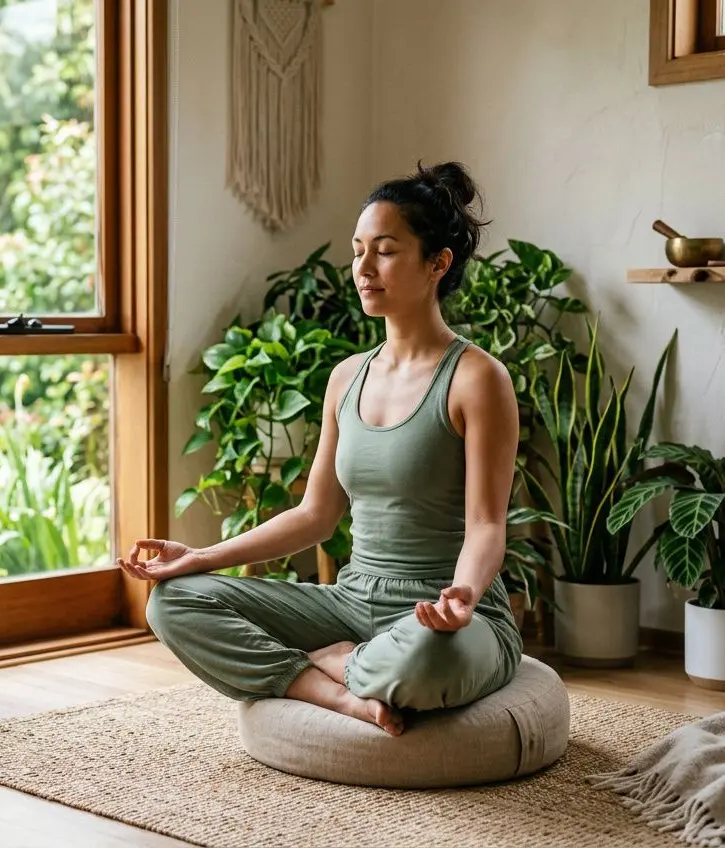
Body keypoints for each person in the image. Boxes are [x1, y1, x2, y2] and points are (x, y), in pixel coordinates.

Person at [116, 161, 522, 738]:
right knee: (173, 602)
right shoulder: (346, 377)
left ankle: (341, 660)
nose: (363, 268)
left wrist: (462, 596)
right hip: (352, 601)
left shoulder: (477, 378)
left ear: (438, 263)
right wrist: (199, 557)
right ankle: (326, 682)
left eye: (384, 250)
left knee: (427, 660)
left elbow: (486, 524)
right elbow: (315, 515)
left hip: (449, 614)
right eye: (358, 250)